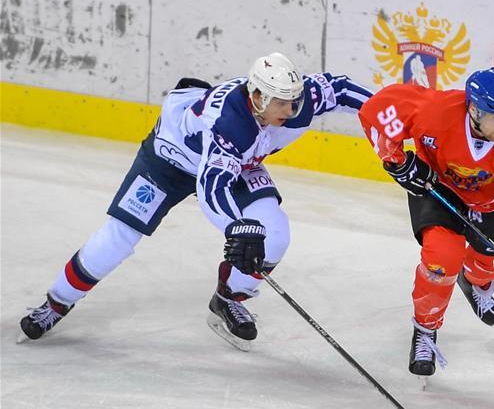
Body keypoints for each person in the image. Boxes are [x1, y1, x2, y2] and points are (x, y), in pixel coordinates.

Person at [20, 52, 372, 349]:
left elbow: (341, 90)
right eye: (281, 103)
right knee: (118, 238)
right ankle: (56, 303)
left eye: (293, 101)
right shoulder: (231, 124)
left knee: (275, 235)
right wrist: (238, 228)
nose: (290, 109)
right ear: (258, 98)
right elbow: (212, 187)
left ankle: (229, 299)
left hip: (237, 163)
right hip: (169, 162)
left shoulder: (295, 100)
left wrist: (395, 117)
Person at [358, 67, 494, 376]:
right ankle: (425, 329)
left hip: (493, 202)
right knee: (441, 260)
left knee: (488, 261)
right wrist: (397, 162)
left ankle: (476, 280)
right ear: (474, 110)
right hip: (438, 190)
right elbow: (377, 112)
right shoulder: (436, 111)